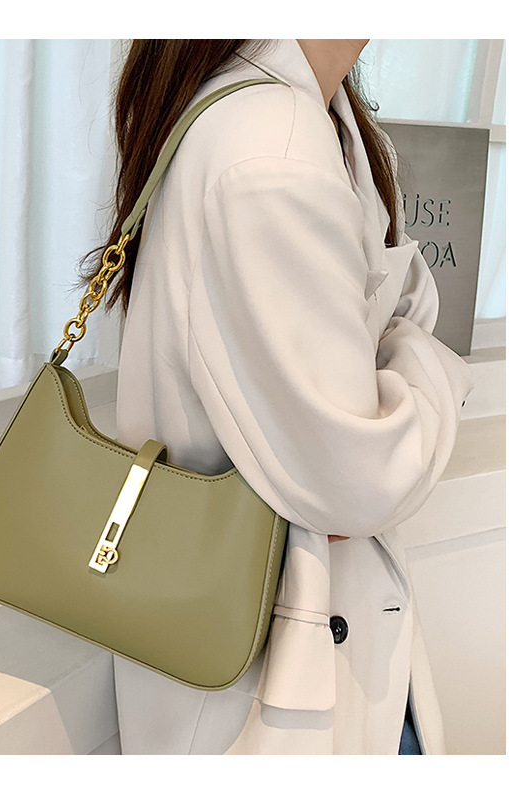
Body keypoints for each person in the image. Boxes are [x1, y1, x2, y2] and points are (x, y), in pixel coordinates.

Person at [76, 38, 473, 754]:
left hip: (297, 648)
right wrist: (431, 366)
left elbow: (400, 311)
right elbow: (362, 481)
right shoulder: (274, 146)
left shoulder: (311, 121)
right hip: (278, 687)